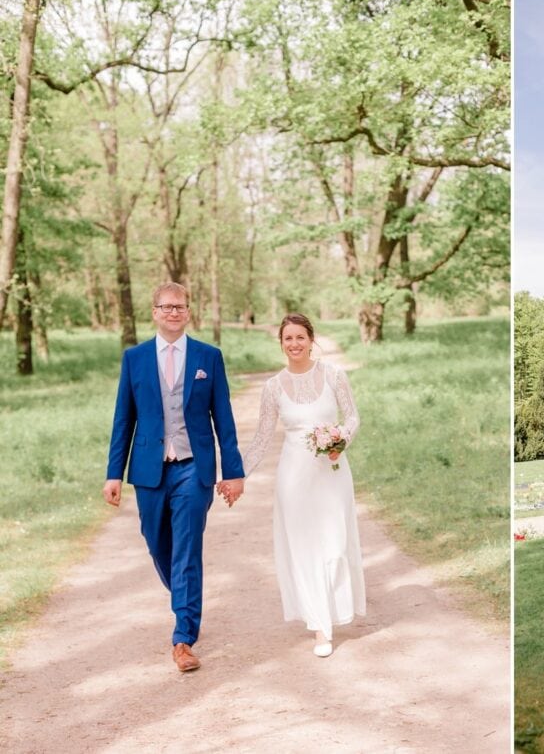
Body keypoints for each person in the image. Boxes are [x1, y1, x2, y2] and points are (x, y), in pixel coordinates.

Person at [103, 282, 245, 672]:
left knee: (186, 551)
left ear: (188, 312)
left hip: (192, 469)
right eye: (165, 307)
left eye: (179, 307)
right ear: (154, 312)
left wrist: (233, 472)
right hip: (149, 470)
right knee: (155, 542)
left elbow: (224, 420)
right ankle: (186, 596)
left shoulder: (208, 357)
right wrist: (113, 473)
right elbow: (123, 419)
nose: (172, 313)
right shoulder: (134, 358)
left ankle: (183, 637)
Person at [231, 313, 365, 657]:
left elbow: (352, 417)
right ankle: (320, 627)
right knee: (304, 549)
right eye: (287, 338)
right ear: (281, 342)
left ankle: (336, 607)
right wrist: (237, 475)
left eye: (300, 338)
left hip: (332, 473)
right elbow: (262, 437)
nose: (294, 344)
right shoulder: (273, 387)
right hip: (293, 478)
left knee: (335, 545)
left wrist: (340, 441)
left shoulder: (334, 375)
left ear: (311, 339)